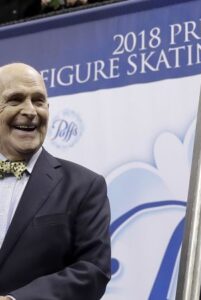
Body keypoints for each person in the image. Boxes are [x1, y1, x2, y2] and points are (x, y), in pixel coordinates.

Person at [0, 63, 111, 299]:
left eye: (38, 101)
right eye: (16, 99)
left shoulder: (85, 186)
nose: (30, 111)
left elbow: (92, 270)